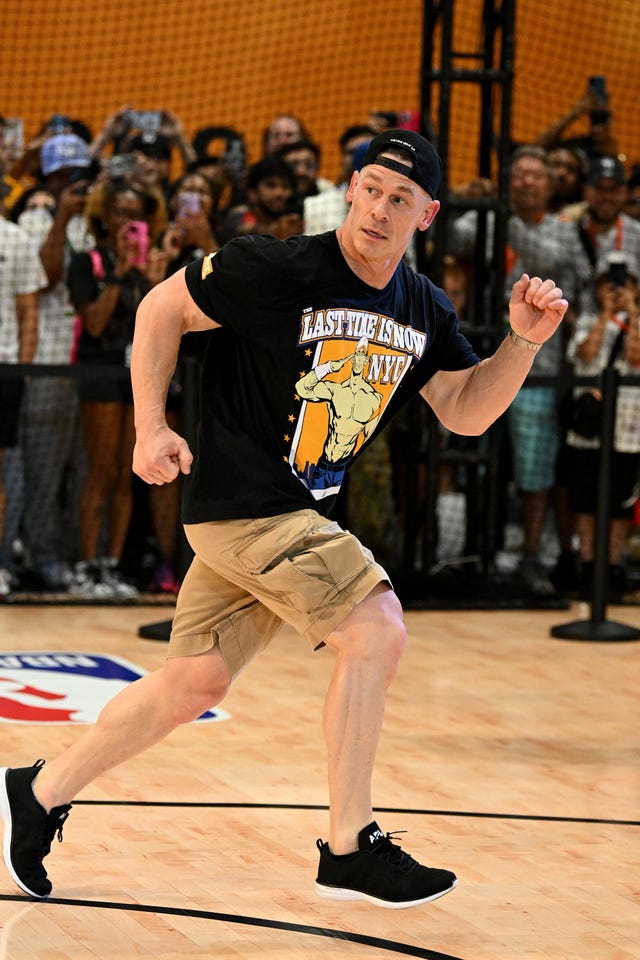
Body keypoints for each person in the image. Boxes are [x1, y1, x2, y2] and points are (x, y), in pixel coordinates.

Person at [0, 129, 569, 908]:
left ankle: (38, 791)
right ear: (351, 189)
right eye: (371, 189)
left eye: (400, 199)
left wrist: (522, 344)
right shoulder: (278, 266)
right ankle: (350, 846)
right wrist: (150, 427)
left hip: (290, 515)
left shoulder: (422, 307)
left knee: (192, 683)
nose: (379, 209)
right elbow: (162, 307)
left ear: (426, 214)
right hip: (245, 506)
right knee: (377, 628)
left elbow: (466, 411)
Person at [5, 134, 96, 590]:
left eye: (77, 175)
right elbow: (46, 275)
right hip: (44, 363)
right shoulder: (34, 219)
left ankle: (65, 558)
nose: (69, 184)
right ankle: (32, 557)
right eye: (61, 176)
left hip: (87, 365)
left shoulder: (97, 223)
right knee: (31, 470)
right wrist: (61, 217)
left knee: (72, 470)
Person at [66, 180, 158, 600]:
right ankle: (86, 566)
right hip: (100, 373)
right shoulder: (87, 263)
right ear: (104, 217)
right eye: (121, 212)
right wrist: (119, 271)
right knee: (100, 473)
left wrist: (150, 278)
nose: (128, 222)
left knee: (126, 474)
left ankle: (112, 566)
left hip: (135, 376)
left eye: (136, 215)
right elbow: (96, 323)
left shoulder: (145, 270)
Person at [564, 251, 640, 601]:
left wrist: (632, 313)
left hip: (627, 432)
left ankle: (611, 569)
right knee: (585, 501)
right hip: (588, 432)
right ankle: (586, 566)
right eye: (608, 283)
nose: (616, 289)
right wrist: (605, 316)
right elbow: (586, 354)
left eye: (624, 283)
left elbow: (636, 356)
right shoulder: (587, 320)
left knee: (619, 506)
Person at [0, 195, 45, 595]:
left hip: (4, 366)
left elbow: (29, 309)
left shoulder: (14, 238)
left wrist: (24, 371)